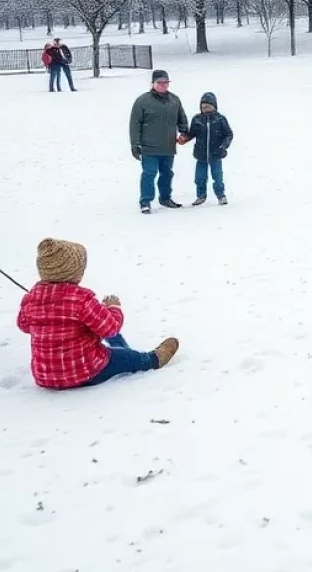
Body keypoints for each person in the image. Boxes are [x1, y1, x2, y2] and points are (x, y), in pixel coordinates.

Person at [16, 237, 178, 389]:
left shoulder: (31, 298)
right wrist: (113, 308)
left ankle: (121, 348)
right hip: (85, 371)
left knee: (101, 333)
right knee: (129, 359)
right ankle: (154, 359)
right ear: (73, 272)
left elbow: (23, 326)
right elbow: (110, 328)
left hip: (45, 377)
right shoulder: (81, 299)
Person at [129, 69, 189, 214]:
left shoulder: (174, 100)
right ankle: (145, 201)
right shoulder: (142, 101)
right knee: (149, 173)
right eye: (160, 82)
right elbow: (135, 123)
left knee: (167, 173)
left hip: (168, 146)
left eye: (166, 82)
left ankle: (165, 198)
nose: (163, 85)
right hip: (149, 147)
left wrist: (184, 133)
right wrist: (135, 144)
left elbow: (182, 118)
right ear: (153, 83)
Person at [181, 91, 234, 205]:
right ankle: (201, 196)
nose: (206, 109)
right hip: (201, 155)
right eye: (203, 107)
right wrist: (185, 138)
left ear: (214, 106)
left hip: (216, 154)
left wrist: (224, 146)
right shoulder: (197, 119)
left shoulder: (220, 119)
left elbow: (229, 134)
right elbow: (192, 133)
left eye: (208, 106)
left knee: (217, 177)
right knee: (199, 178)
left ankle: (221, 195)